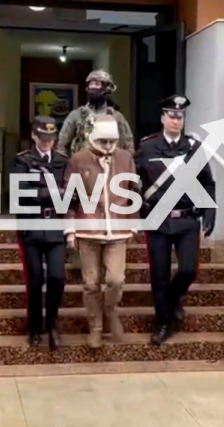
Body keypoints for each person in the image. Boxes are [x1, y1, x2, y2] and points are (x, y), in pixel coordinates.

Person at [134, 94, 216, 345]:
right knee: (159, 274)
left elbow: (207, 182)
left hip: (187, 218)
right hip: (157, 219)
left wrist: (209, 212)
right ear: (162, 118)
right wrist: (138, 210)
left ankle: (170, 302)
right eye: (171, 115)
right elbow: (132, 182)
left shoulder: (194, 148)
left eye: (180, 116)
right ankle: (163, 322)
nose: (176, 120)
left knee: (188, 270)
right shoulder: (147, 147)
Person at [63, 114, 139, 348]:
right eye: (103, 141)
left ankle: (110, 309)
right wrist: (69, 229)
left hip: (118, 229)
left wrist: (134, 221)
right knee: (91, 283)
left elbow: (132, 191)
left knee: (115, 279)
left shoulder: (125, 158)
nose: (107, 147)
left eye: (111, 142)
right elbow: (69, 197)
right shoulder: (78, 159)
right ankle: (95, 326)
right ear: (93, 138)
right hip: (88, 230)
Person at [12, 116, 68, 351]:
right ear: (34, 136)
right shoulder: (23, 161)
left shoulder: (62, 161)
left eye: (51, 138)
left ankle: (52, 321)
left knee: (57, 277)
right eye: (43, 138)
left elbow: (71, 191)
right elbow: (21, 192)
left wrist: (42, 191)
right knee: (34, 280)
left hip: (55, 225)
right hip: (31, 225)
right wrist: (53, 192)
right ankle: (35, 326)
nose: (47, 143)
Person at [57, 69, 134, 157]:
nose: (93, 87)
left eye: (97, 84)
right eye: (91, 84)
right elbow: (61, 146)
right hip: (83, 165)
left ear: (107, 88)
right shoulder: (76, 115)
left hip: (111, 165)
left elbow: (129, 146)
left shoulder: (117, 117)